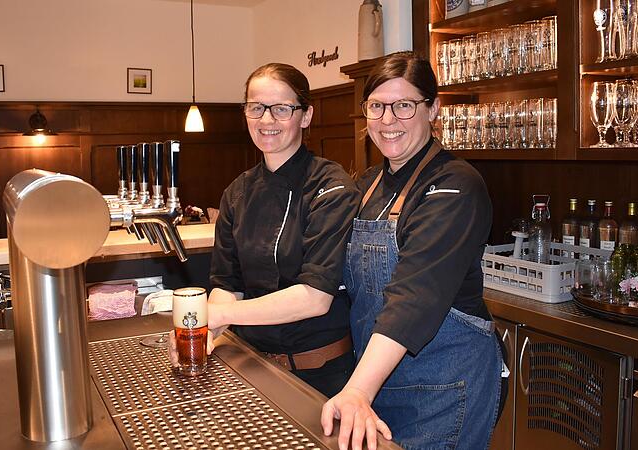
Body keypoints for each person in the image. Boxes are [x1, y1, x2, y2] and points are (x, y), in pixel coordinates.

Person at [320, 51, 503, 450]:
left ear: (433, 108)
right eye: (377, 107)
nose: (388, 120)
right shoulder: (367, 184)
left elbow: (415, 296)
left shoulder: (456, 185)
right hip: (379, 382)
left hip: (443, 388)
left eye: (404, 105)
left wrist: (358, 391)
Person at [169, 63, 361, 397]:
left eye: (281, 109)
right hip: (252, 366)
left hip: (320, 376)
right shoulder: (237, 192)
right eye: (256, 108)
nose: (266, 120)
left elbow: (314, 298)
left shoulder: (332, 187)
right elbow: (227, 283)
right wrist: (204, 334)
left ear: (305, 116)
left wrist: (218, 314)